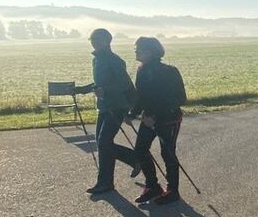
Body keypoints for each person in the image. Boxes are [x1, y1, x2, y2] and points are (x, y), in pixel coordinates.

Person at [127, 37, 187, 205]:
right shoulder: (141, 70)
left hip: (168, 119)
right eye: (136, 48)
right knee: (140, 150)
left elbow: (180, 99)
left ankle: (173, 191)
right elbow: (141, 97)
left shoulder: (170, 71)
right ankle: (152, 186)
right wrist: (132, 114)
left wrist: (155, 116)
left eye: (139, 49)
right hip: (149, 119)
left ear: (151, 51)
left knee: (167, 153)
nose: (136, 51)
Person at [76, 28, 136, 194]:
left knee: (103, 142)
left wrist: (105, 91)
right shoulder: (97, 60)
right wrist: (81, 89)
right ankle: (108, 181)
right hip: (104, 105)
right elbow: (99, 83)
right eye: (92, 40)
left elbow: (124, 84)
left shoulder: (114, 60)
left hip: (117, 105)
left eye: (97, 40)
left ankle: (107, 180)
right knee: (102, 142)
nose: (94, 43)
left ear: (107, 41)